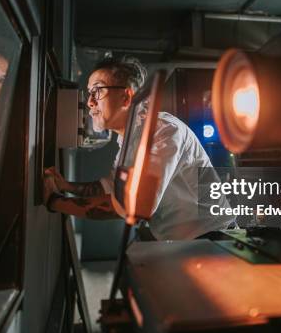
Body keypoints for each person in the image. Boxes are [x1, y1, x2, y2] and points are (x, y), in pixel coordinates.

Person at [43, 56, 235, 240]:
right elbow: (110, 189)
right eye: (89, 93)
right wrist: (65, 185)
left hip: (214, 238)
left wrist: (54, 201)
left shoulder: (163, 131)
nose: (90, 102)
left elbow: (136, 204)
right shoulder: (127, 140)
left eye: (98, 91)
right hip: (185, 242)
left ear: (126, 97)